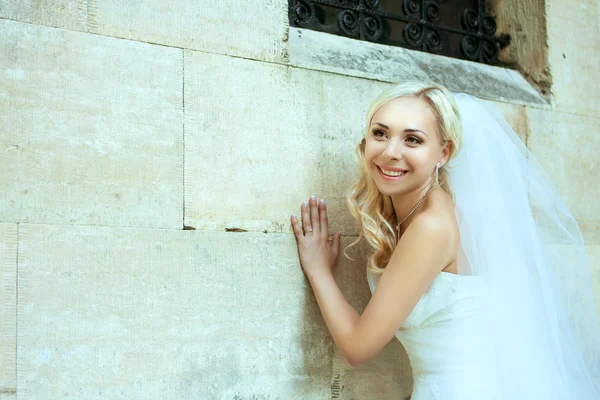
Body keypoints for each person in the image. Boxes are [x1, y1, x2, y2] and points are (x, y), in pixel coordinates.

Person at [290, 81, 600, 399]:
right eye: (380, 133)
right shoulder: (431, 210)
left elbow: (357, 347)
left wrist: (319, 271)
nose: (390, 151)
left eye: (412, 139)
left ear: (444, 152)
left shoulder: (431, 227)